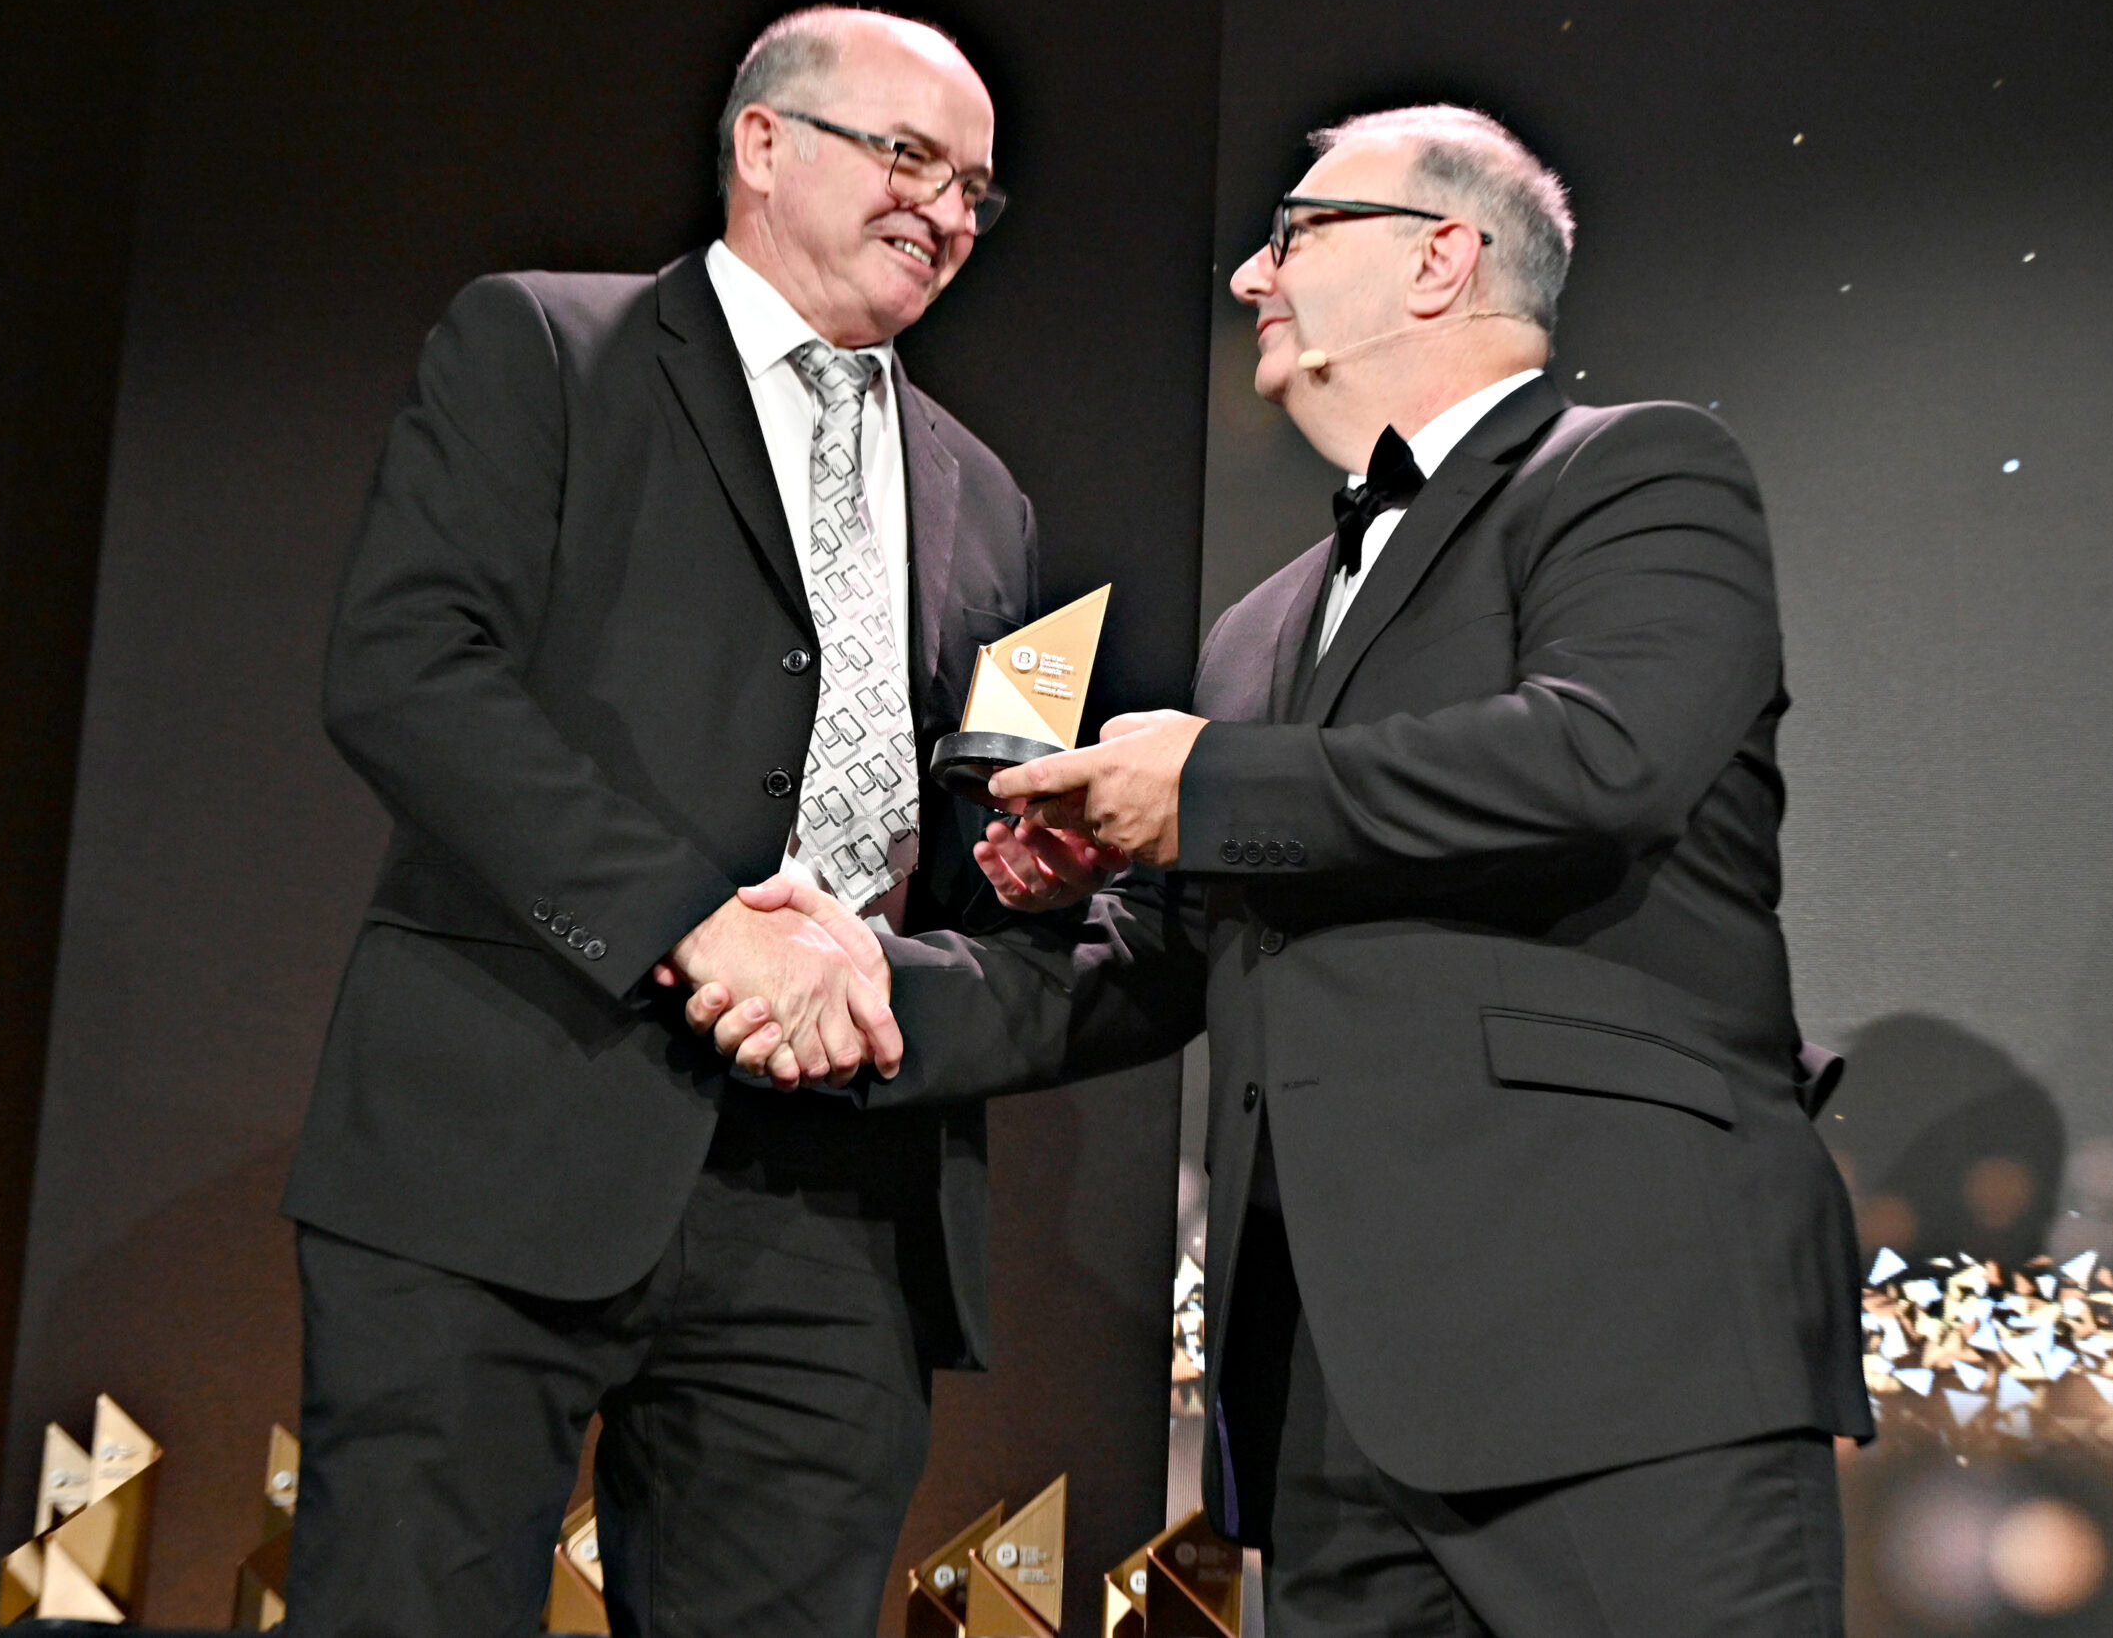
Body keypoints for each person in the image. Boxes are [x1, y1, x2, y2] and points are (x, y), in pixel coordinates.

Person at [704, 104, 1871, 1636]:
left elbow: (1606, 756)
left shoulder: (1635, 473)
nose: (1252, 277)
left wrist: (1201, 789)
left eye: (1296, 234)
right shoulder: (1259, 628)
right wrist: (869, 983)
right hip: (1325, 1395)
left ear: (1441, 259)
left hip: (1618, 1354)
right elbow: (1157, 961)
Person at [279, 6, 1048, 1638]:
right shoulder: (548, 345)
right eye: (909, 157)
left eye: (975, 188)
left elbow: (969, 812)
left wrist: (1023, 857)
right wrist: (690, 925)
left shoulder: (990, 496)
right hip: (507, 1134)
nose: (945, 210)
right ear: (764, 143)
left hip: (838, 1202)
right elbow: (408, 672)